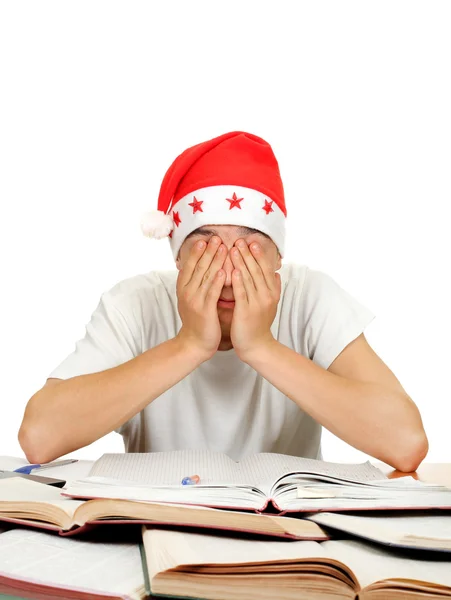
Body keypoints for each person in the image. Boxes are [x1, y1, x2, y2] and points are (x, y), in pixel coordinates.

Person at [18, 131, 428, 471]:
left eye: (249, 248)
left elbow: (405, 442)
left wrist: (261, 348)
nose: (229, 273)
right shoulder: (134, 304)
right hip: (157, 531)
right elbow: (39, 438)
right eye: (207, 246)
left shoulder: (311, 297)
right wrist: (190, 344)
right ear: (177, 256)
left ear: (278, 258)